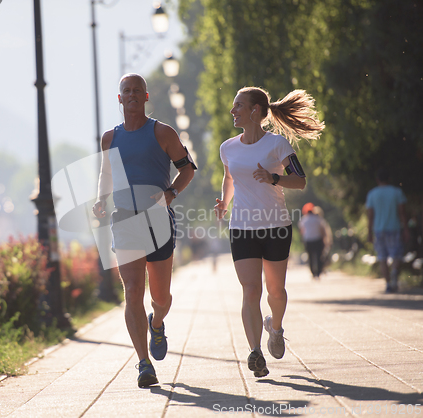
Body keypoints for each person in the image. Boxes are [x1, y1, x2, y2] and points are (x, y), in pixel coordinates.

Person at [92, 74, 195, 387]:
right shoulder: (110, 138)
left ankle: (158, 322)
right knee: (133, 291)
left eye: (138, 90)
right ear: (120, 99)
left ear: (146, 96)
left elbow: (187, 169)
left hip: (157, 218)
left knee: (160, 297)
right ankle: (143, 363)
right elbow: (105, 174)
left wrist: (171, 194)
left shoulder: (162, 132)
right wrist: (100, 200)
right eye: (127, 91)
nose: (132, 94)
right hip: (124, 219)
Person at [214, 87, 324, 377]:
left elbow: (299, 181)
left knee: (276, 290)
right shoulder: (227, 147)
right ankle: (255, 352)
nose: (232, 110)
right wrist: (224, 203)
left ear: (254, 111)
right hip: (242, 228)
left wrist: (273, 177)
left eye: (238, 105)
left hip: (276, 227)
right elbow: (229, 178)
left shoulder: (277, 145)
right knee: (251, 290)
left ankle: (275, 328)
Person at [366, 168, 409, 293]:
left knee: (382, 257)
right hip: (394, 227)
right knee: (396, 255)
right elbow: (402, 213)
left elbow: (370, 215)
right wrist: (405, 229)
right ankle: (394, 271)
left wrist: (369, 232)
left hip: (379, 230)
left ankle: (388, 284)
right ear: (389, 179)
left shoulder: (372, 194)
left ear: (377, 179)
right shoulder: (397, 192)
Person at [298, 202, 332, 279]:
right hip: (318, 239)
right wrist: (324, 239)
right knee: (318, 256)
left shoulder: (304, 219)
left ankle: (313, 272)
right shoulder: (318, 219)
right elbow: (322, 229)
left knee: (310, 257)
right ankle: (318, 272)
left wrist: (304, 238)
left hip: (308, 240)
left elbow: (302, 231)